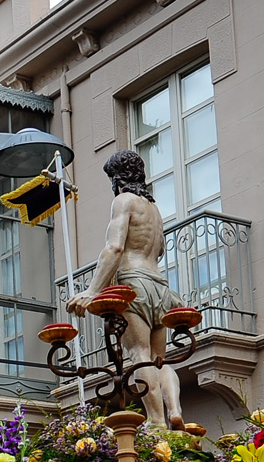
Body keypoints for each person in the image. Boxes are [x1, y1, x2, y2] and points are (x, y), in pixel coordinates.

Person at [65, 148, 185, 431]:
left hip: (133, 284)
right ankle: (175, 410)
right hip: (160, 286)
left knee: (139, 353)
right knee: (160, 359)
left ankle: (157, 421)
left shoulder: (124, 201)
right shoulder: (154, 209)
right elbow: (161, 250)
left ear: (117, 178)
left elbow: (115, 247)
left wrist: (93, 292)